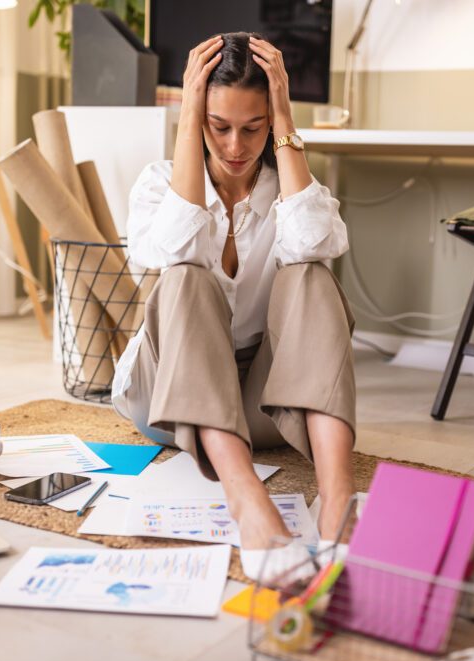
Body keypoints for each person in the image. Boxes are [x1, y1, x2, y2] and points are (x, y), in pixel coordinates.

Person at [111, 33, 356, 579]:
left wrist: (288, 119)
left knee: (311, 275)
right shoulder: (158, 185)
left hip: (268, 404)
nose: (235, 147)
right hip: (171, 402)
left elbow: (318, 243)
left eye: (253, 127)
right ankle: (248, 501)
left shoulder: (287, 189)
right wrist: (187, 128)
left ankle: (339, 501)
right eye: (218, 126)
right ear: (198, 120)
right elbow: (170, 252)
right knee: (183, 280)